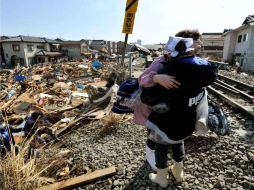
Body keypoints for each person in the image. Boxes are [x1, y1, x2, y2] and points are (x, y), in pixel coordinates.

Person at [133, 29, 216, 187]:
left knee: (161, 145)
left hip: (165, 119)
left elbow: (147, 97)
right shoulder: (198, 67)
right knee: (179, 141)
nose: (199, 45)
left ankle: (162, 178)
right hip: (186, 121)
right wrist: (156, 77)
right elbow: (142, 79)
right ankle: (179, 173)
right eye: (196, 42)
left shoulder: (172, 67)